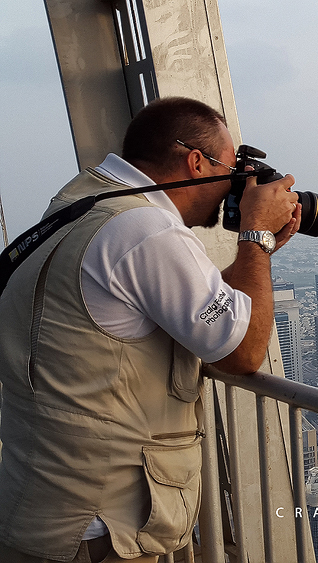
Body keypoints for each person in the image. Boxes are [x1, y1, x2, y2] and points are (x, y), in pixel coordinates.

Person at [0, 96, 301, 563]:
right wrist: (255, 237)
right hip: (99, 529)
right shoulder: (144, 228)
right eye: (230, 168)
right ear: (196, 162)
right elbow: (242, 352)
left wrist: (254, 256)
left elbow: (174, 304)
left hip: (42, 508)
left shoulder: (84, 203)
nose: (233, 189)